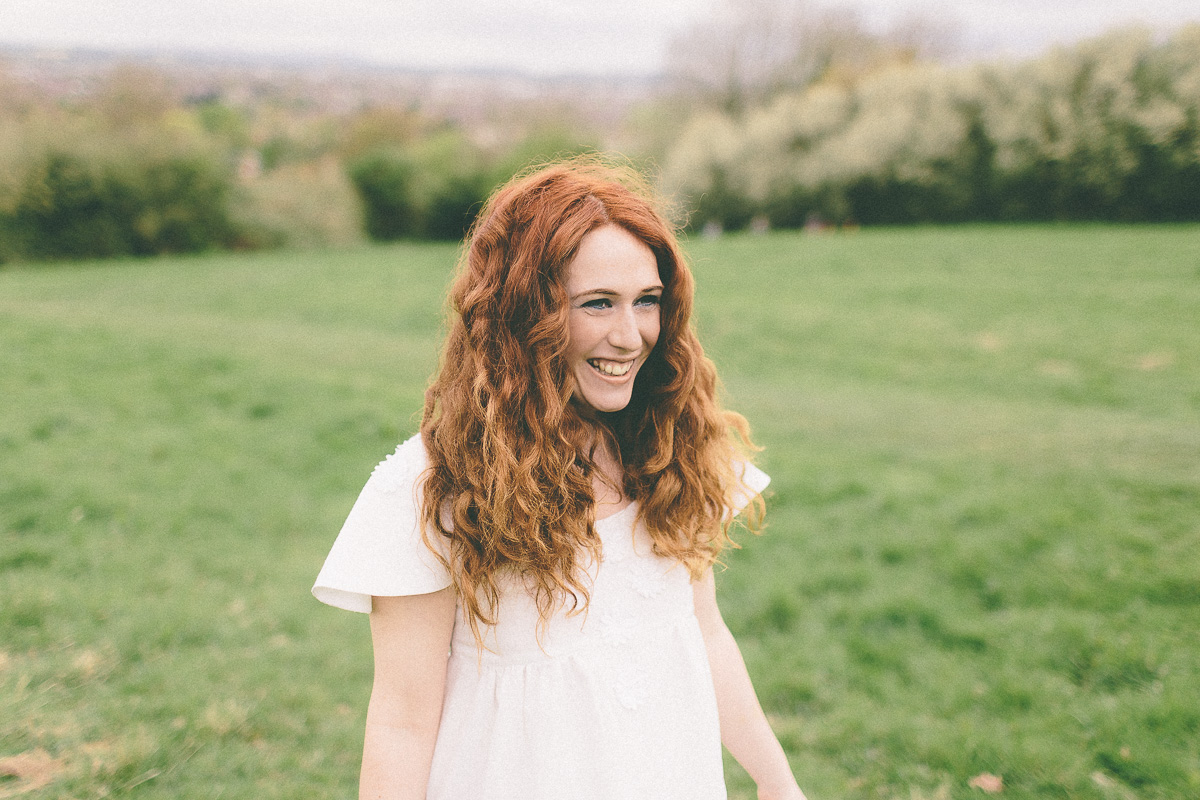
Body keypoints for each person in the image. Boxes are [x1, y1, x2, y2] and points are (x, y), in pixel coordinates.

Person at [313, 159, 807, 800]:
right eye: (597, 304)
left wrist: (779, 783)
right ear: (526, 314)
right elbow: (403, 723)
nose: (631, 337)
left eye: (647, 302)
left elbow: (702, 632)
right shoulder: (436, 487)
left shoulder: (665, 445)